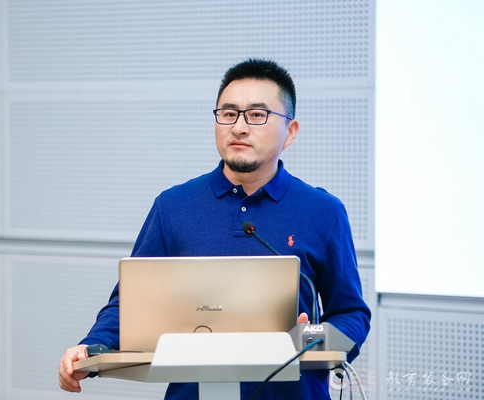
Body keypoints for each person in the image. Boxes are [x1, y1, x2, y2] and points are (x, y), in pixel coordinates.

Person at [59, 58, 371, 399]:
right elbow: (130, 303)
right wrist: (91, 345)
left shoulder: (323, 211)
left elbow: (350, 312)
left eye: (257, 115)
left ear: (290, 131)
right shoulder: (173, 206)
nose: (239, 127)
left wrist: (312, 340)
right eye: (228, 113)